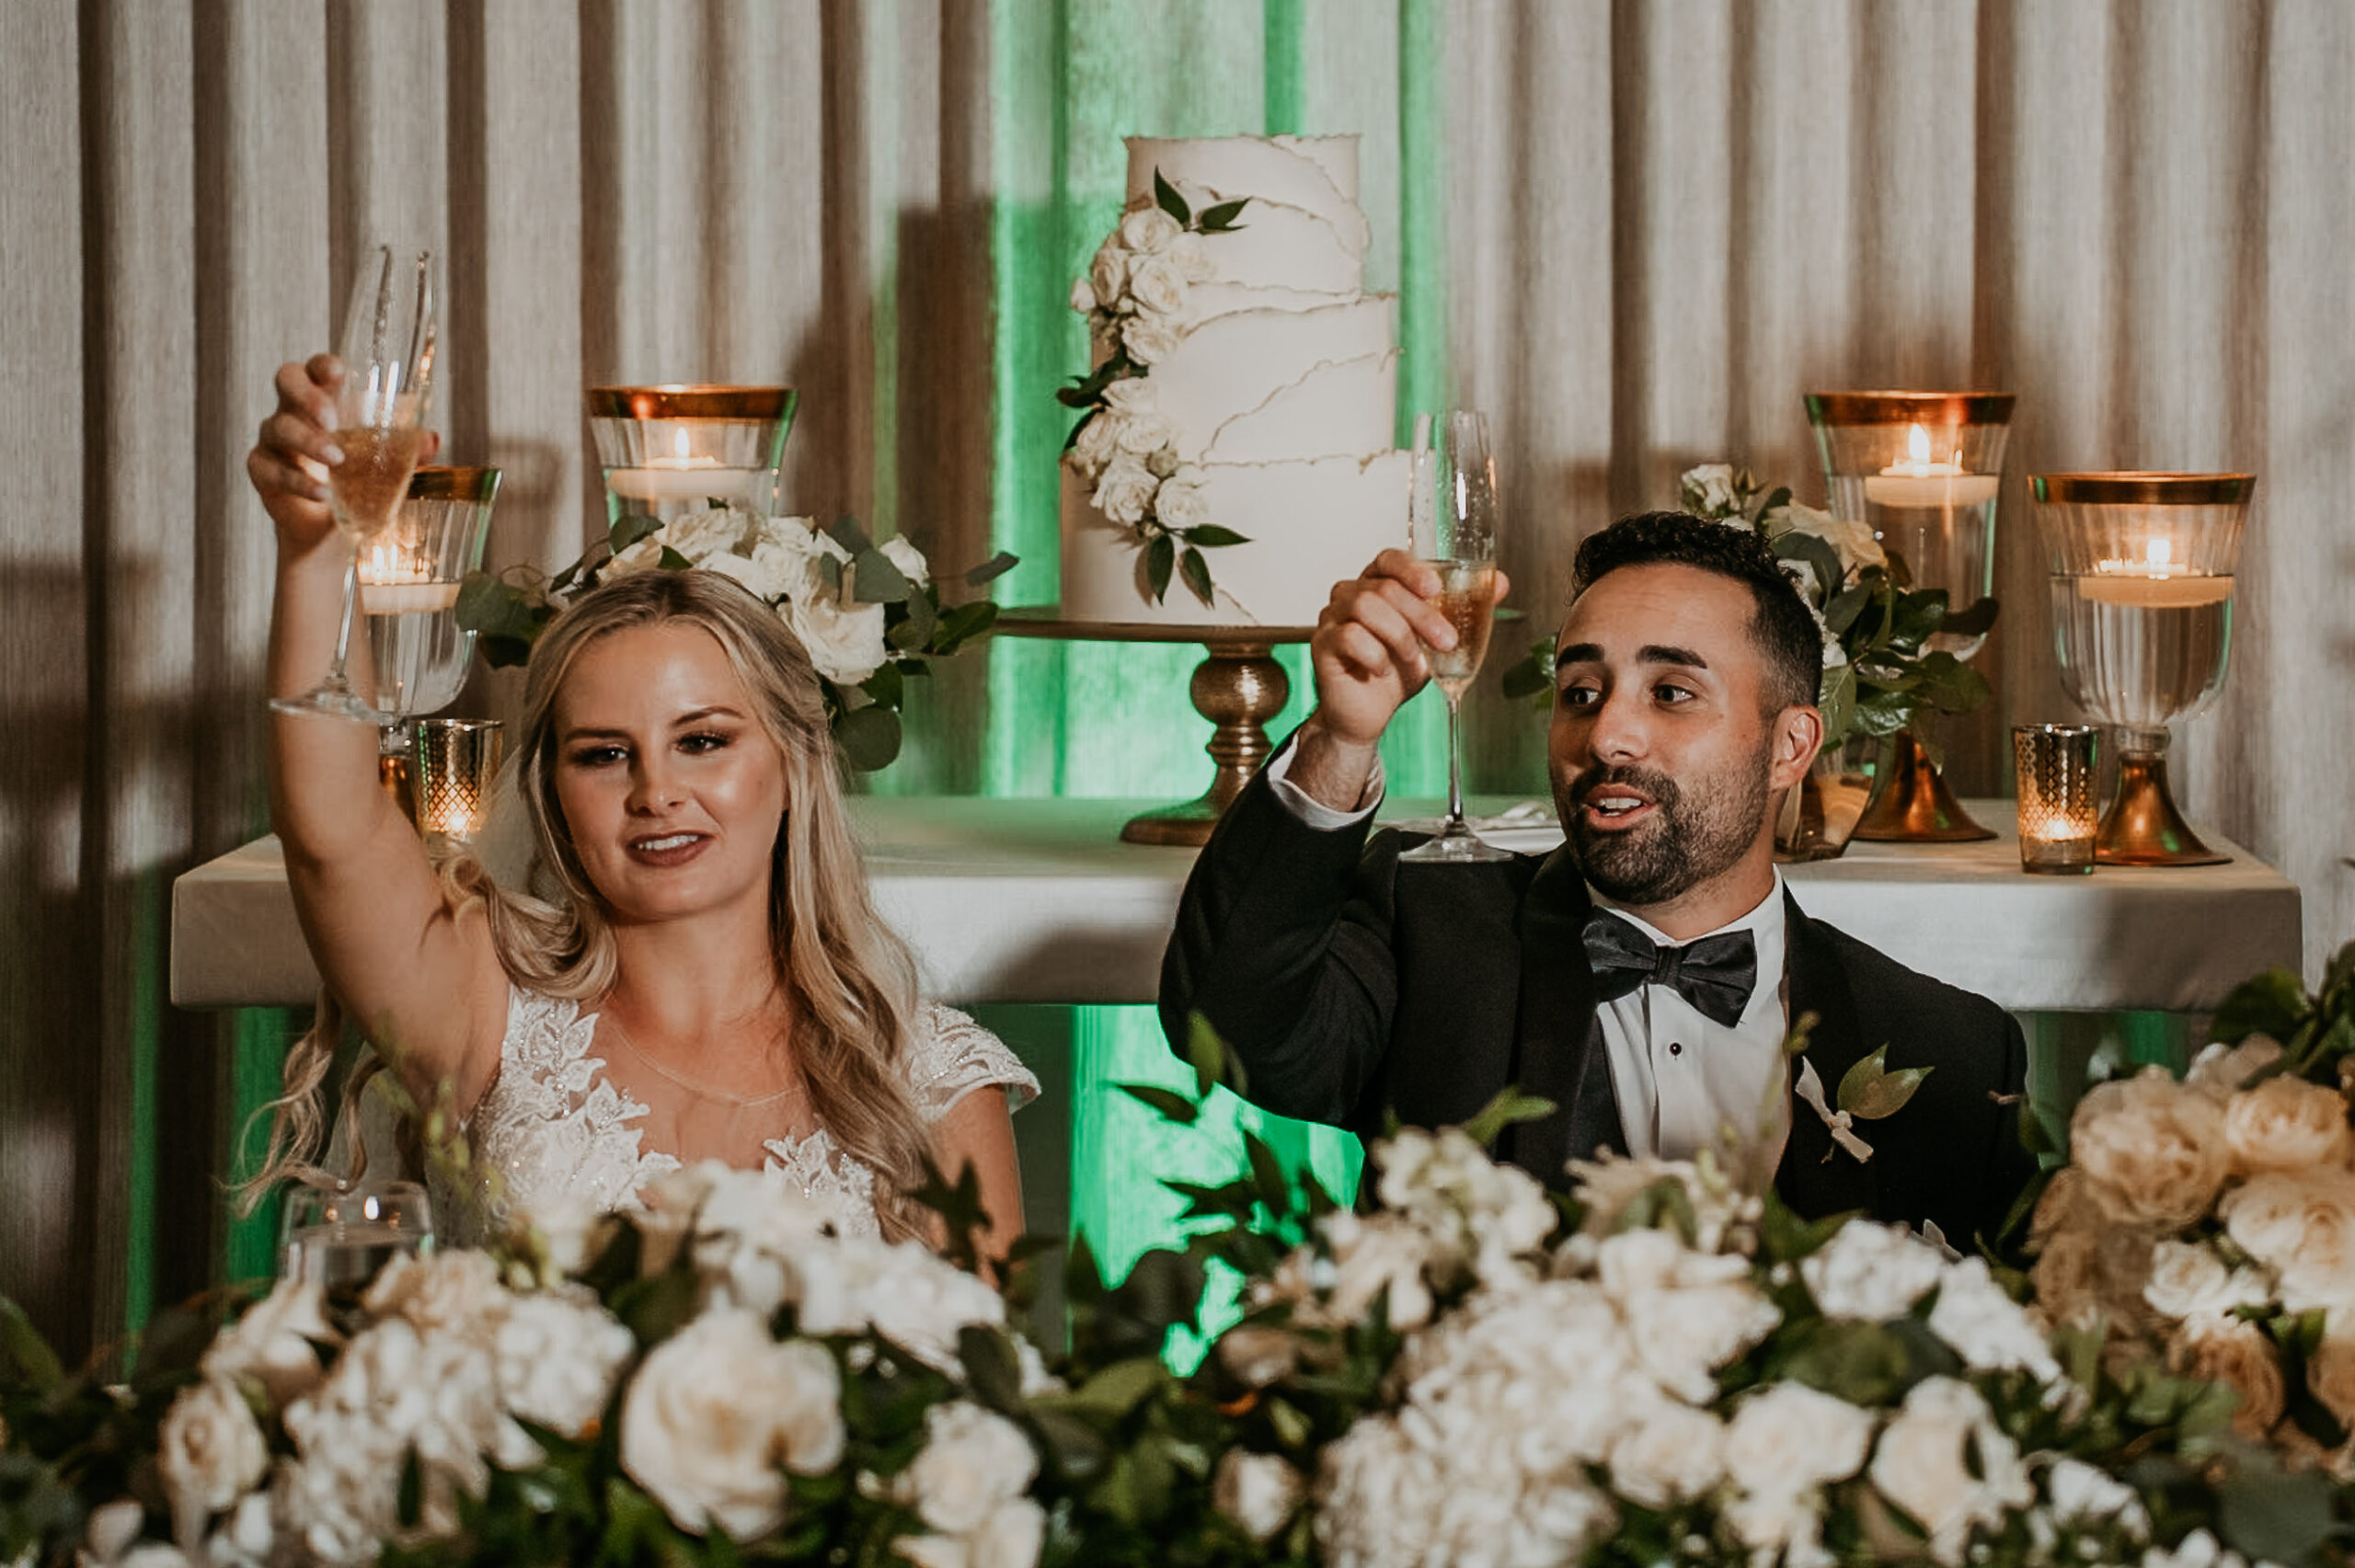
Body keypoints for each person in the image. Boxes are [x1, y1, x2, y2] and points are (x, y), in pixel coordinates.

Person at [247, 354, 1034, 1252]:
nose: (656, 792)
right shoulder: (484, 1008)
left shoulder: (929, 1078)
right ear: (552, 792)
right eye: (604, 754)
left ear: (794, 760)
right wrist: (312, 554)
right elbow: (331, 838)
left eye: (702, 741)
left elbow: (979, 1386)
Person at [1160, 511, 2035, 1247]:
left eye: (1672, 692)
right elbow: (1228, 1020)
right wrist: (1339, 737)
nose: (1608, 735)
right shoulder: (1430, 929)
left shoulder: (1948, 1050)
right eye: (1581, 691)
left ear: (1790, 746)